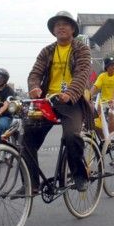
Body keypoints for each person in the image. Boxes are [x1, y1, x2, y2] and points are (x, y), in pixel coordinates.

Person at [25, 11, 92, 192]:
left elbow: (82, 73)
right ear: (53, 30)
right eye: (57, 25)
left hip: (72, 101)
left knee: (71, 136)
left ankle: (79, 174)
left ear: (73, 29)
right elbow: (35, 73)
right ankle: (31, 183)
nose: (61, 27)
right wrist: (34, 87)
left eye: (65, 24)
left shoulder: (81, 49)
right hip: (48, 101)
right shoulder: (47, 51)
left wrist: (70, 93)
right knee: (27, 137)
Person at [90, 56, 114, 135]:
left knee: (110, 113)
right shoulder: (102, 76)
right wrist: (88, 96)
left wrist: (113, 100)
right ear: (106, 67)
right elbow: (95, 87)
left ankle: (109, 138)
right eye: (110, 65)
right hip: (104, 101)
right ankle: (102, 138)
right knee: (95, 115)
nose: (113, 67)